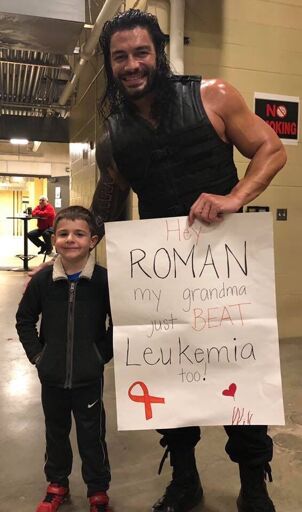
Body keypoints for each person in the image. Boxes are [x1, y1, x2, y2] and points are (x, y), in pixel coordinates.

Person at [90, 9, 287, 512]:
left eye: (140, 52)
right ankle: (185, 480)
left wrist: (235, 197)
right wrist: (69, 252)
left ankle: (253, 483)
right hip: (162, 277)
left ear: (158, 52)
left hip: (226, 269)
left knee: (239, 375)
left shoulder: (213, 96)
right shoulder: (112, 134)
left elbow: (269, 150)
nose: (132, 64)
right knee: (168, 382)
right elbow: (109, 200)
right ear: (109, 64)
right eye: (120, 57)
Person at [16, 205, 113, 512]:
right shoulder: (43, 281)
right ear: (54, 238)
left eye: (79, 233)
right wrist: (38, 356)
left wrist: (99, 355)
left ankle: (97, 489)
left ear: (93, 240)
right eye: (63, 233)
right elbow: (24, 320)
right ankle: (57, 483)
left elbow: (121, 322)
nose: (71, 239)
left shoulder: (103, 281)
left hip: (88, 377)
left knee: (92, 436)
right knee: (55, 432)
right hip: (52, 376)